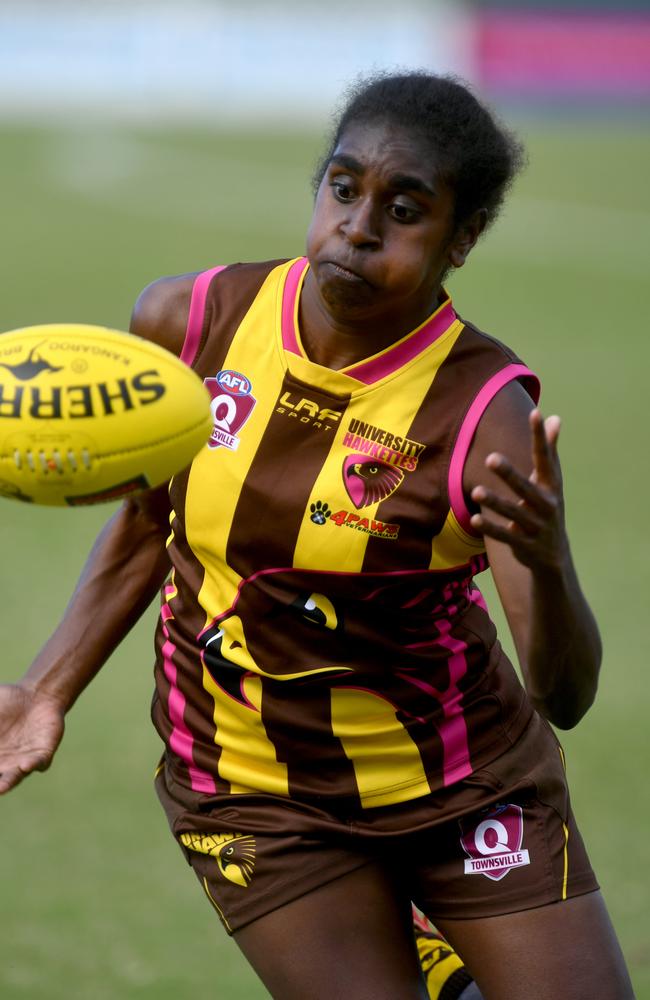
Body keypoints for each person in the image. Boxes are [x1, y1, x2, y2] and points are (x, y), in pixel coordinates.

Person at [0, 72, 634, 1000]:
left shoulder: (485, 417)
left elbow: (563, 692)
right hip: (248, 782)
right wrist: (45, 688)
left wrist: (549, 558)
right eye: (343, 189)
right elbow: (150, 522)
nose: (359, 228)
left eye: (404, 210)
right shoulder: (190, 321)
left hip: (462, 782)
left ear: (461, 241)